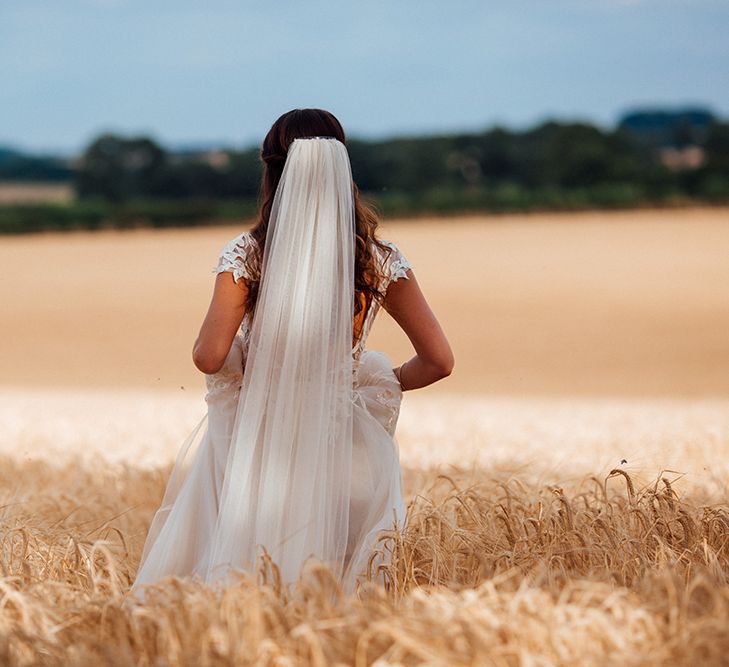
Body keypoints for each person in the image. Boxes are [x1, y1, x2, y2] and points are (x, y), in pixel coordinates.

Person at [128, 109, 453, 601]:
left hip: (258, 457)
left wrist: (245, 353)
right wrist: (370, 381)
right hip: (346, 455)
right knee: (336, 602)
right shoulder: (379, 260)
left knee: (242, 592)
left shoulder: (249, 255)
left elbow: (209, 356)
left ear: (272, 171)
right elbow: (438, 361)